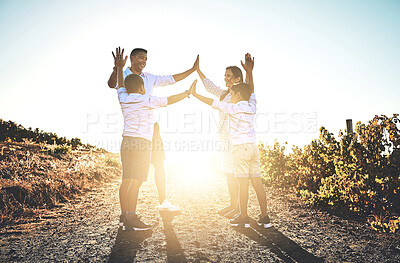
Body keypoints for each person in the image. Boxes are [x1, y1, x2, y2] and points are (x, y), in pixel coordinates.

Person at [108, 47, 199, 219]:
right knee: (135, 180)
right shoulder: (145, 97)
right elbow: (168, 100)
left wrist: (191, 70)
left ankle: (129, 214)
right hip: (142, 137)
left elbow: (170, 79)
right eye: (141, 58)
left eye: (146, 59)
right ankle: (131, 217)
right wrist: (188, 93)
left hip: (135, 134)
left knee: (137, 174)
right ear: (132, 58)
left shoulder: (128, 92)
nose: (144, 61)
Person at [188, 72, 271, 229]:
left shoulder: (232, 108)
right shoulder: (252, 105)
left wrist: (195, 94)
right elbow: (251, 91)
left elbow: (212, 102)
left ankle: (244, 217)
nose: (230, 97)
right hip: (253, 148)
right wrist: (250, 71)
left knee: (242, 184)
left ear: (238, 94)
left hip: (240, 149)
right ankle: (265, 217)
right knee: (257, 183)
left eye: (232, 94)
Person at [195, 54, 254, 218]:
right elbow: (209, 86)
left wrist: (248, 72)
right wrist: (198, 70)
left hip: (236, 139)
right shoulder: (223, 94)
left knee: (238, 174)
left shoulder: (242, 94)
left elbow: (249, 87)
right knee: (229, 172)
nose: (225, 78)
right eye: (225, 75)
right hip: (223, 139)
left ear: (237, 79)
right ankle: (233, 204)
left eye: (228, 76)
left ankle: (241, 210)